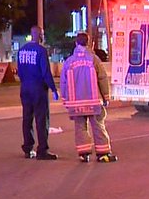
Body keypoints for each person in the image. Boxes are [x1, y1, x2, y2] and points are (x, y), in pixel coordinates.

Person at [60, 32, 116, 162]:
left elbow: (63, 82)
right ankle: (103, 154)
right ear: (89, 43)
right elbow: (102, 78)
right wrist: (106, 97)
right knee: (98, 126)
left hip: (76, 103)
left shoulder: (69, 62)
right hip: (93, 101)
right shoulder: (93, 59)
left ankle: (84, 154)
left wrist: (65, 99)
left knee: (80, 127)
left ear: (76, 43)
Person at [17, 25, 58, 160]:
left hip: (25, 88)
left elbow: (20, 70)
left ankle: (28, 148)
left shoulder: (22, 50)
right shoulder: (41, 51)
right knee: (41, 120)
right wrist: (53, 88)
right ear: (40, 35)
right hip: (38, 89)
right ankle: (42, 150)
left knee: (27, 119)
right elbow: (45, 72)